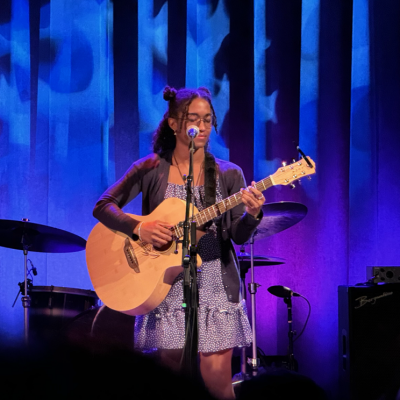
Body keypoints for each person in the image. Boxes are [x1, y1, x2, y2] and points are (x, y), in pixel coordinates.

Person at [93, 86, 265, 399]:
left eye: (208, 120)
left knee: (218, 382)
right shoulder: (150, 168)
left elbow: (238, 235)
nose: (202, 126)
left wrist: (253, 215)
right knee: (169, 378)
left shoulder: (228, 174)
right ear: (174, 123)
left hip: (215, 279)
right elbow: (103, 206)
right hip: (163, 283)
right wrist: (139, 229)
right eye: (193, 119)